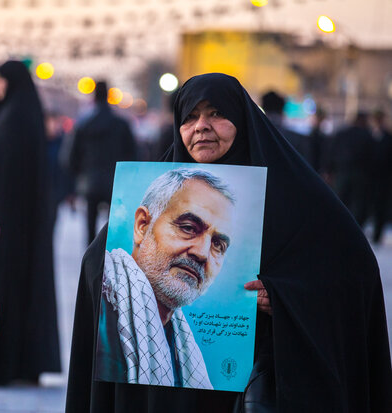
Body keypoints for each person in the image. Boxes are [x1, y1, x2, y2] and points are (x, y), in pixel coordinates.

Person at [66, 73, 391, 412]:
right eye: (190, 117)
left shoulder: (297, 197)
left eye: (216, 114)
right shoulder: (165, 184)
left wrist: (284, 297)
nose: (202, 126)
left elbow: (354, 276)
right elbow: (95, 263)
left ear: (243, 120)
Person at [97, 168, 235, 389]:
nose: (202, 253)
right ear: (142, 226)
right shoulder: (101, 307)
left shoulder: (180, 340)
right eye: (189, 228)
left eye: (218, 245)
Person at [0, 60, 61, 384]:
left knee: (6, 287)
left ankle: (4, 364)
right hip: (26, 222)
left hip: (7, 223)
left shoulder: (10, 122)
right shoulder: (26, 117)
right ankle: (26, 363)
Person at [70, 81, 137, 245]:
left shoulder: (84, 124)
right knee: (113, 226)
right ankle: (110, 259)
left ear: (93, 96)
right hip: (115, 180)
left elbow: (72, 155)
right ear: (109, 95)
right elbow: (133, 152)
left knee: (90, 224)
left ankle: (91, 258)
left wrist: (79, 174)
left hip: (91, 180)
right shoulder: (121, 124)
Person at [328, 112, 376, 226]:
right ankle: (353, 226)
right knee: (357, 203)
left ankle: (337, 224)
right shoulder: (367, 135)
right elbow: (372, 157)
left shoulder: (342, 134)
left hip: (342, 172)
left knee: (340, 200)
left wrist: (329, 170)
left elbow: (331, 153)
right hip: (360, 175)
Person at [370, 109, 392, 244]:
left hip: (383, 178)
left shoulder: (388, 137)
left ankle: (377, 234)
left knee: (381, 206)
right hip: (369, 178)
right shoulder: (368, 135)